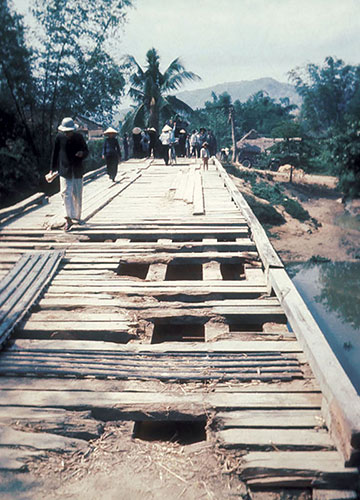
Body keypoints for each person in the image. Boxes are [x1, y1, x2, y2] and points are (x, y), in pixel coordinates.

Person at [50, 117, 88, 231]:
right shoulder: (59, 138)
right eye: (66, 132)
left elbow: (86, 151)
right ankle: (68, 218)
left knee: (77, 194)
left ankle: (76, 217)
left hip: (77, 169)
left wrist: (82, 154)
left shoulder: (79, 137)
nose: (68, 134)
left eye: (70, 132)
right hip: (64, 169)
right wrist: (52, 168)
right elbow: (55, 153)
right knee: (65, 193)